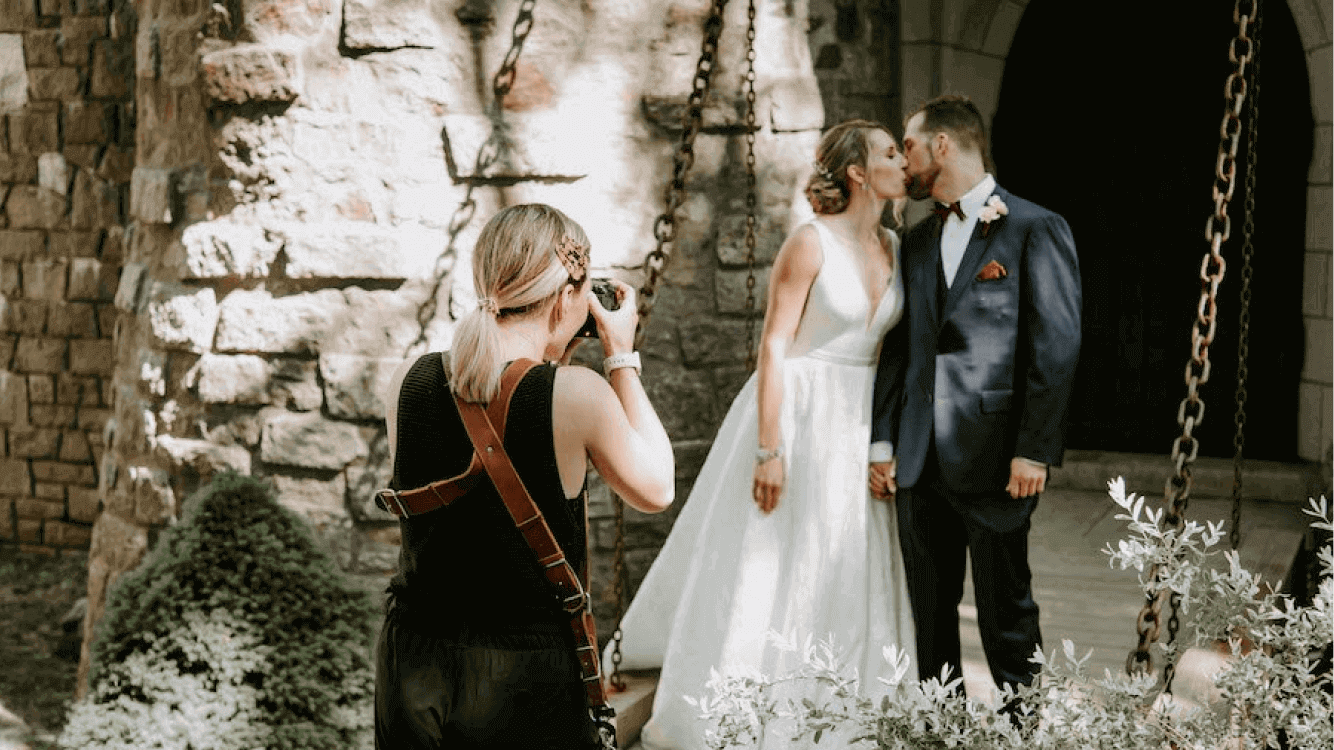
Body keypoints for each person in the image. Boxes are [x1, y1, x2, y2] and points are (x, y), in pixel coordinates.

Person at [605, 120, 917, 749]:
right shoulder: (810, 244)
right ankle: (752, 713)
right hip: (798, 409)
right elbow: (773, 347)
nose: (903, 163)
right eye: (890, 153)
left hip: (860, 418)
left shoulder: (896, 244)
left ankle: (850, 710)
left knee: (849, 558)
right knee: (773, 563)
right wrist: (770, 449)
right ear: (858, 172)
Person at [374, 203, 676, 749]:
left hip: (412, 665)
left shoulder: (407, 381)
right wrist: (621, 356)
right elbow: (657, 488)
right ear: (566, 297)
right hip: (521, 676)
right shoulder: (575, 394)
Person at [869, 95, 1082, 697]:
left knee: (1005, 616)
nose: (902, 162)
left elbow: (1055, 348)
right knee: (930, 624)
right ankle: (945, 735)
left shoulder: (1035, 228)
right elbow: (902, 349)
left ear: (942, 145)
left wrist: (1034, 449)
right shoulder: (912, 243)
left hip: (996, 463)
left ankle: (1022, 734)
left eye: (907, 146)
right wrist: (883, 439)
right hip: (917, 463)